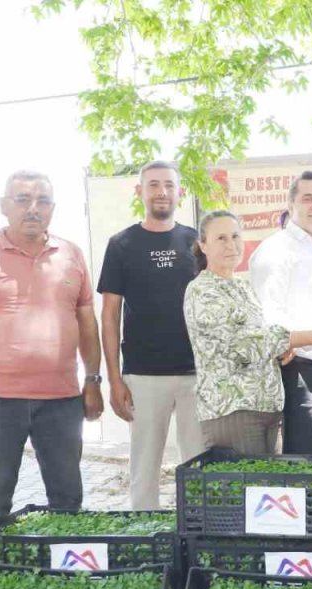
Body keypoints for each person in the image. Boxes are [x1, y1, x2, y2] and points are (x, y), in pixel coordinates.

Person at [0, 170, 103, 530]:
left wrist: (92, 380)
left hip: (61, 401)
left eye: (42, 201)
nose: (33, 208)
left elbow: (87, 324)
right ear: (4, 206)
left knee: (67, 500)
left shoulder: (71, 255)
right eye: (23, 200)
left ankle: (66, 579)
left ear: (52, 208)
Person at [186, 212, 312, 455]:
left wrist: (283, 350)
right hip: (233, 410)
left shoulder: (243, 287)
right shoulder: (202, 291)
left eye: (235, 236)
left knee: (267, 489)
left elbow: (265, 337)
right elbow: (243, 346)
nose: (230, 244)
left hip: (267, 410)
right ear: (203, 245)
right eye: (220, 238)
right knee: (247, 490)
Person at [97, 160, 201, 509]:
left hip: (196, 375)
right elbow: (109, 316)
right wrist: (114, 379)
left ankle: (196, 539)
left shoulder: (196, 242)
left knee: (198, 469)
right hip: (142, 376)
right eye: (154, 184)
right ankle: (147, 542)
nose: (162, 192)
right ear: (139, 191)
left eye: (169, 185)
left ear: (180, 192)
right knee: (143, 471)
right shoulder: (121, 244)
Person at [248, 170, 312, 454]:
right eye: (308, 198)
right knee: (306, 469)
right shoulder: (275, 251)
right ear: (291, 204)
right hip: (301, 374)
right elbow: (265, 318)